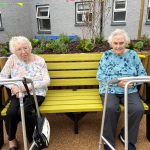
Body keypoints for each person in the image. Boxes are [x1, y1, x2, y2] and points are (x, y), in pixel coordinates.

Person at [96, 29, 147, 150]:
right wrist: (118, 83)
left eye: (121, 43)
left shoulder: (133, 55)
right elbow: (100, 76)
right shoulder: (106, 55)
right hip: (110, 89)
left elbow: (142, 74)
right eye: (115, 43)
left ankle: (126, 137)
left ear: (126, 43)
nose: (118, 46)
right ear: (111, 44)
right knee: (111, 108)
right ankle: (108, 141)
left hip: (129, 90)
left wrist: (131, 82)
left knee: (138, 109)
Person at [0, 36, 50, 150]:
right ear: (14, 51)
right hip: (18, 94)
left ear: (30, 47)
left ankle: (32, 140)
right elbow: (2, 77)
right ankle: (12, 140)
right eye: (19, 49)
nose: (23, 52)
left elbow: (47, 81)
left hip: (36, 93)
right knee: (11, 112)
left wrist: (26, 87)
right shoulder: (12, 59)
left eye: (25, 48)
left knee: (27, 110)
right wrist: (14, 86)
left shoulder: (40, 60)